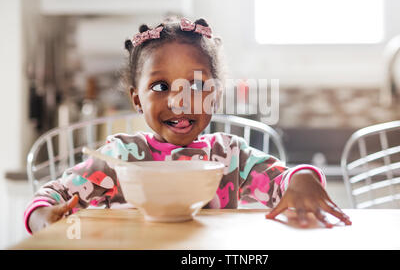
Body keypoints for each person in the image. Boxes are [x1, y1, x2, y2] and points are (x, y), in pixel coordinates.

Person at [24, 17, 351, 234]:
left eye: (195, 86)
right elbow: (55, 195)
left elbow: (282, 181)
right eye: (161, 87)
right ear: (137, 100)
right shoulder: (118, 157)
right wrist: (42, 215)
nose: (179, 101)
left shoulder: (229, 156)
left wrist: (303, 178)